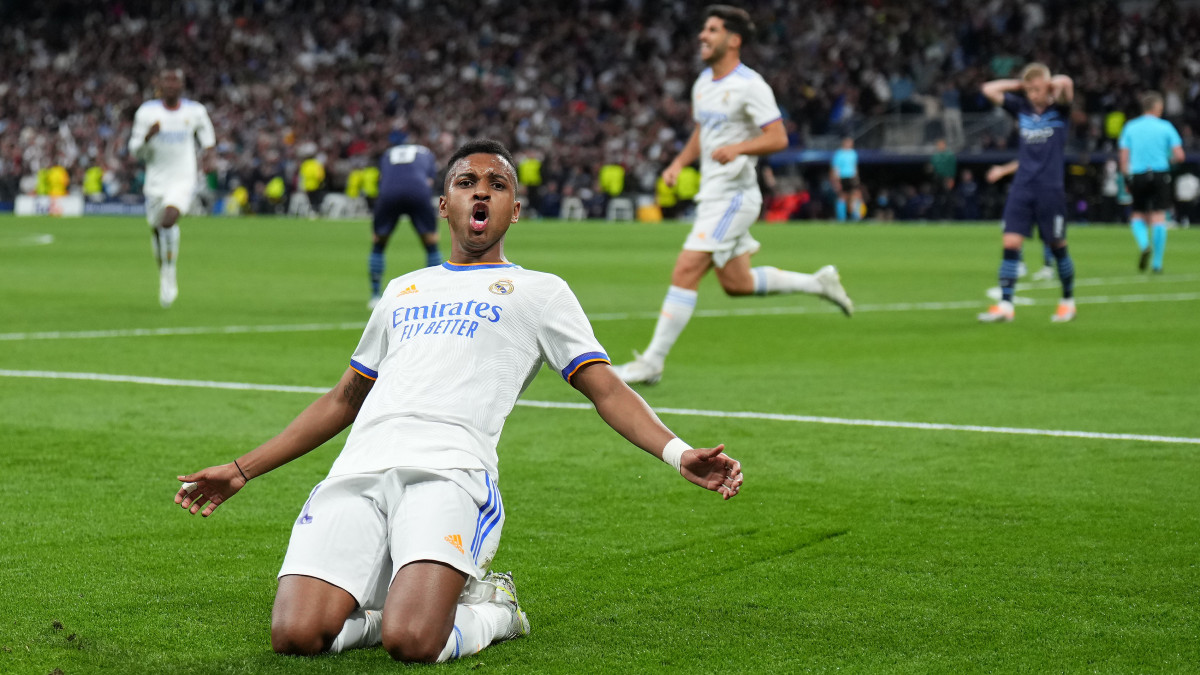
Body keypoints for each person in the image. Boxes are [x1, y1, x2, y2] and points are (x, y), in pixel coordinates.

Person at [172, 140, 743, 664]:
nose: (482, 191)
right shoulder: (403, 290)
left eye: (498, 185)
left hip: (451, 475)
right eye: (467, 181)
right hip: (359, 470)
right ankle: (390, 601)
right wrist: (243, 470)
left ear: (514, 211)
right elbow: (344, 399)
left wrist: (678, 452)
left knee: (414, 642)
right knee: (295, 637)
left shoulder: (540, 292)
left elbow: (607, 389)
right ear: (443, 204)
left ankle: (495, 608)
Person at [612, 5, 852, 385]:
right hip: (713, 194)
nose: (702, 36)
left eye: (712, 30)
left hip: (735, 197)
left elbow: (778, 137)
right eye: (703, 29)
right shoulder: (703, 83)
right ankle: (817, 283)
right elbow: (701, 133)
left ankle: (652, 362)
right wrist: (678, 163)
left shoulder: (750, 85)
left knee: (686, 268)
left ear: (734, 39)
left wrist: (740, 149)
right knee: (736, 284)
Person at [977, 63, 1077, 323]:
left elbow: (1066, 83)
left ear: (1047, 87)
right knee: (1010, 243)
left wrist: (1051, 83)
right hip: (1022, 186)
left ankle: (1067, 301)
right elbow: (988, 89)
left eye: (1037, 89)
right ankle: (1006, 306)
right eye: (1029, 90)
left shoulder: (1060, 110)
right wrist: (1018, 85)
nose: (1033, 94)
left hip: (1050, 188)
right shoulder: (1021, 109)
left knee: (1058, 247)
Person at [128, 67, 216, 308]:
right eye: (167, 80)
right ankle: (164, 269)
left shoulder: (195, 111)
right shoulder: (147, 113)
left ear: (182, 85)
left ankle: (169, 274)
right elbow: (135, 150)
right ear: (159, 84)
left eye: (175, 81)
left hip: (183, 178)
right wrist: (148, 137)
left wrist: (209, 157)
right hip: (156, 180)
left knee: (170, 218)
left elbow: (208, 137)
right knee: (157, 228)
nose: (171, 85)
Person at [368, 142, 443, 309]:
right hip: (418, 190)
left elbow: (382, 178)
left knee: (378, 242)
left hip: (389, 191)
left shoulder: (387, 153)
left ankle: (374, 296)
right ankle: (437, 293)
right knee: (431, 241)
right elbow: (430, 180)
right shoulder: (427, 152)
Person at [1119, 91, 1185, 273]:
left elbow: (1124, 157)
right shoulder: (1165, 127)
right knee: (1159, 217)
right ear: (1158, 107)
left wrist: (1126, 177)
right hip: (1160, 173)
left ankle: (1144, 244)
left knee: (1137, 215)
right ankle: (1157, 264)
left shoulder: (1130, 127)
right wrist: (1167, 160)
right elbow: (1180, 155)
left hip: (1138, 174)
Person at [985, 160, 1055, 280]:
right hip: (1025, 194)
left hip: (1041, 193)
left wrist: (1002, 170)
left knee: (1046, 231)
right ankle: (1020, 264)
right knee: (1013, 230)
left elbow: (1026, 163)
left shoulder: (1044, 151)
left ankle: (1048, 267)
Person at [831, 136, 863, 222]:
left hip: (851, 177)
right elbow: (835, 168)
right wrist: (836, 180)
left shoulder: (853, 153)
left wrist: (857, 177)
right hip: (842, 177)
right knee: (842, 196)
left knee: (856, 195)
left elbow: (854, 166)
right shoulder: (839, 154)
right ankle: (841, 218)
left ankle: (856, 216)